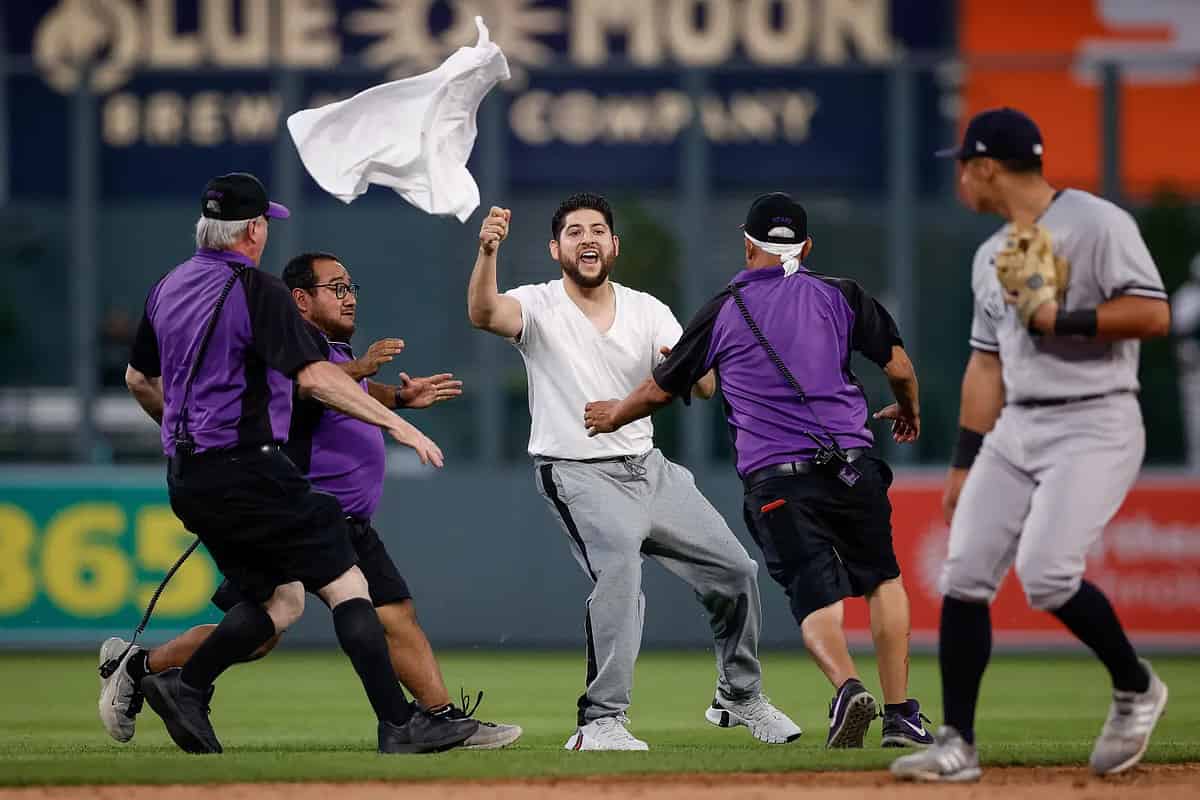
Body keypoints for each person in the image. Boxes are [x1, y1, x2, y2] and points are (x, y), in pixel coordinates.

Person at [101, 251, 521, 749]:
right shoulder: (290, 344)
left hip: (338, 513)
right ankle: (147, 667)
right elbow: (305, 393)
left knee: (347, 614)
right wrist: (366, 381)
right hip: (302, 509)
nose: (348, 299)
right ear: (300, 299)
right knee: (300, 617)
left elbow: (335, 389)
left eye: (351, 288)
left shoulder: (327, 350)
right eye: (336, 288)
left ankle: (440, 717)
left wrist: (397, 396)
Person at [583, 192, 933, 750]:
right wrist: (910, 412)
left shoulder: (724, 309)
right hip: (852, 465)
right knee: (882, 580)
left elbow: (660, 389)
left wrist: (613, 413)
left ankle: (846, 687)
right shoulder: (841, 295)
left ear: (748, 244)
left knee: (814, 597)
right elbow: (900, 367)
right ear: (806, 246)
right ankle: (901, 716)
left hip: (778, 479)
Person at [890, 108, 1171, 782]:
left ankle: (1136, 688)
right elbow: (985, 367)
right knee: (964, 575)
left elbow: (1153, 313)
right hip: (1017, 427)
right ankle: (957, 744)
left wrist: (1057, 316)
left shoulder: (1099, 224)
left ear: (985, 166)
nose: (959, 178)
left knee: (1046, 574)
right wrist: (964, 462)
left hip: (1095, 420)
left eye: (963, 165)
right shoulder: (991, 255)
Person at [467, 193, 801, 751]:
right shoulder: (539, 304)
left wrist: (686, 368)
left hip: (650, 470)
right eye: (574, 232)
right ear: (556, 249)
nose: (588, 239)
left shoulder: (647, 309)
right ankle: (600, 720)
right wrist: (487, 252)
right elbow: (483, 312)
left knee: (737, 570)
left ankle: (739, 695)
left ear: (614, 245)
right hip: (576, 471)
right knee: (620, 572)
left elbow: (705, 385)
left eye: (598, 230)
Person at [1171, 254, 1200, 471]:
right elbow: (1181, 334)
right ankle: (1196, 463)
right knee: (1195, 416)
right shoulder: (1188, 297)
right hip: (1196, 367)